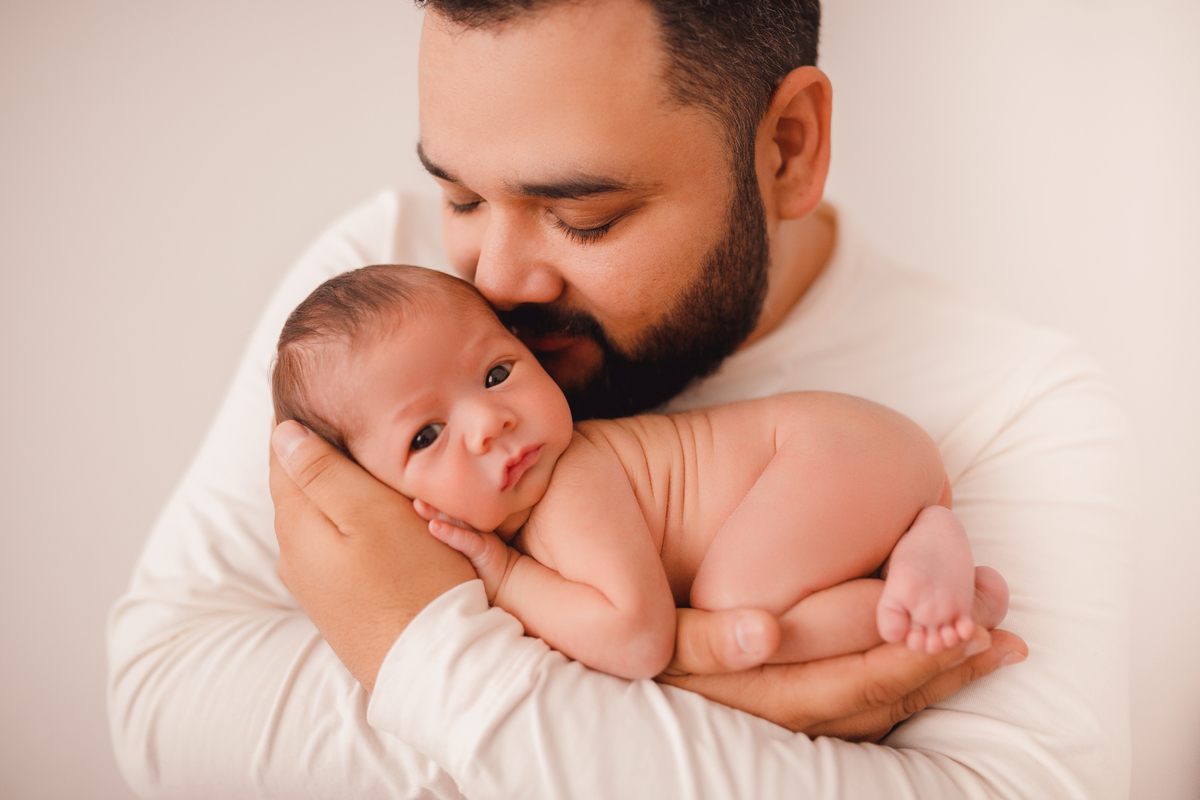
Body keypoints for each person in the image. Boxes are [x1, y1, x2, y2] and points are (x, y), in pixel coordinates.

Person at [108, 0, 1129, 798]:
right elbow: (163, 697)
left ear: (786, 147)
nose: (496, 282)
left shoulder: (1022, 401)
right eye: (460, 195)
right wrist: (695, 697)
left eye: (582, 217)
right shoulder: (377, 294)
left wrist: (409, 641)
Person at [271, 265, 1002, 677]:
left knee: (732, 612)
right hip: (851, 454)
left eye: (497, 373)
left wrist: (504, 577)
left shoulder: (569, 487)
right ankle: (921, 544)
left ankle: (910, 606)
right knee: (739, 599)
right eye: (427, 435)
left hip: (824, 452)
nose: (489, 421)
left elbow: (637, 638)